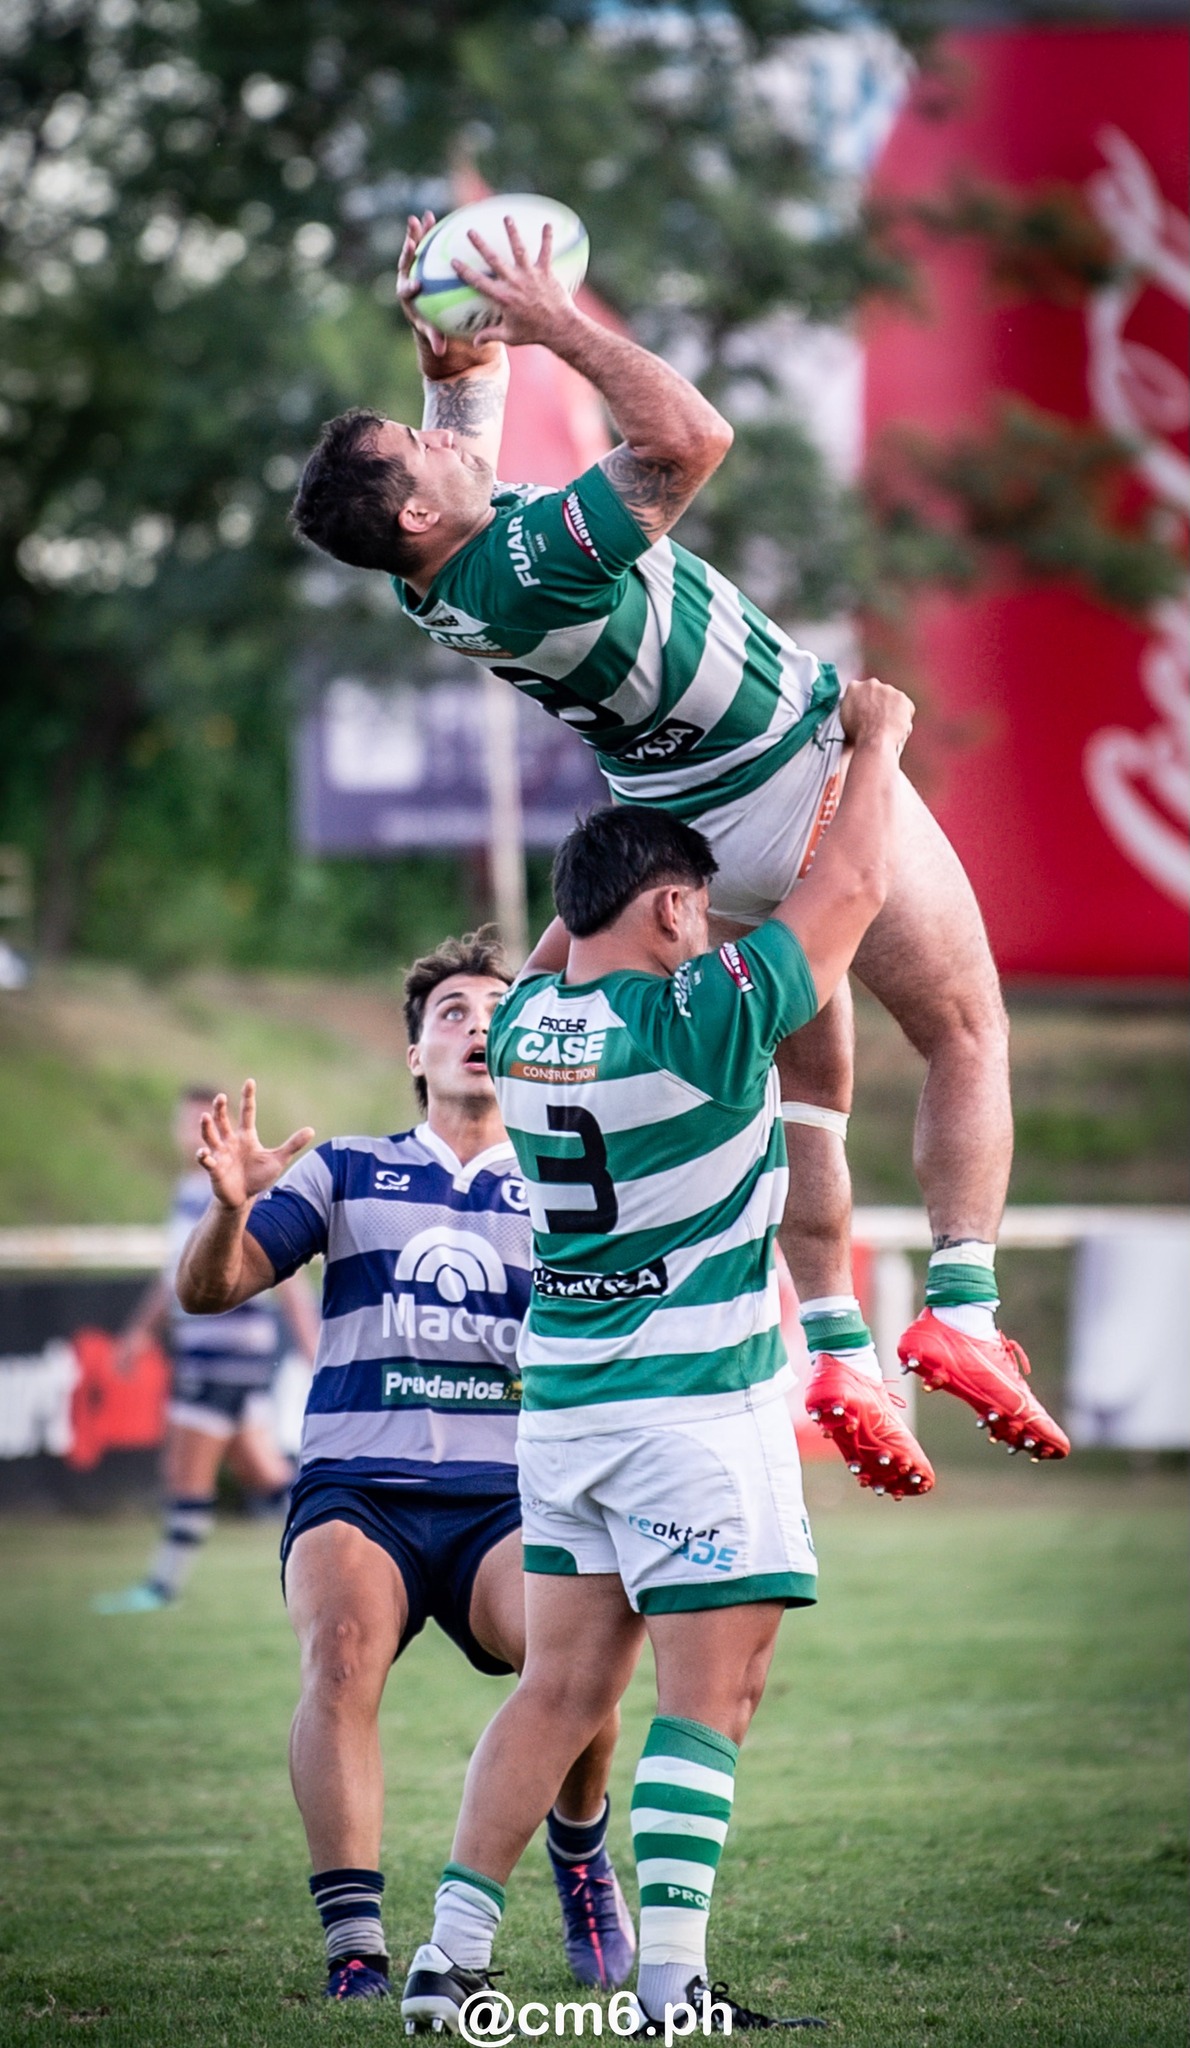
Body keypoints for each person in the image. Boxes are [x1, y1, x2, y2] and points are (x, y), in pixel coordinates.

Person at [289, 211, 1069, 1493]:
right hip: (788, 776)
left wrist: (454, 362)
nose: (434, 437)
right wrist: (550, 324)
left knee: (811, 1085)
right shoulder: (527, 561)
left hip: (692, 831)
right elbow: (691, 438)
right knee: (966, 1030)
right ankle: (965, 1308)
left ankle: (832, 1342)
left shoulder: (428, 570)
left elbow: (461, 456)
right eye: (417, 445)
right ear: (419, 506)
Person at [399, 678, 920, 2037]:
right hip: (691, 1409)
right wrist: (877, 745)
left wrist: (634, 807)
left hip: (564, 1413)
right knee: (714, 1692)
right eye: (688, 906)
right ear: (675, 911)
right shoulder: (701, 1021)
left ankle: (446, 1961)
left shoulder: (520, 1034)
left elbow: (583, 929)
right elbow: (854, 889)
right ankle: (671, 1989)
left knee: (558, 1692)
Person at [170, 937, 635, 2002]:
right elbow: (214, 1287)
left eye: (496, 1010)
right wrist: (234, 1205)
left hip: (510, 1496)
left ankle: (578, 1855)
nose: (476, 1024)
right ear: (415, 1050)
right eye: (452, 1011)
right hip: (357, 1486)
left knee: (579, 1656)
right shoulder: (343, 1167)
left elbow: (619, 1340)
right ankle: (355, 1945)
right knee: (338, 1654)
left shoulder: (573, 1185)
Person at [93, 1085, 319, 1615]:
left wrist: (313, 1346)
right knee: (265, 1474)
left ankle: (161, 1587)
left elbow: (289, 1279)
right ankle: (347, 1528)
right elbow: (175, 1275)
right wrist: (139, 1332)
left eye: (205, 1122)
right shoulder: (186, 1192)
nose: (196, 1133)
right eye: (187, 1122)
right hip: (211, 1355)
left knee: (182, 1470)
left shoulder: (242, 1188)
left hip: (229, 1355)